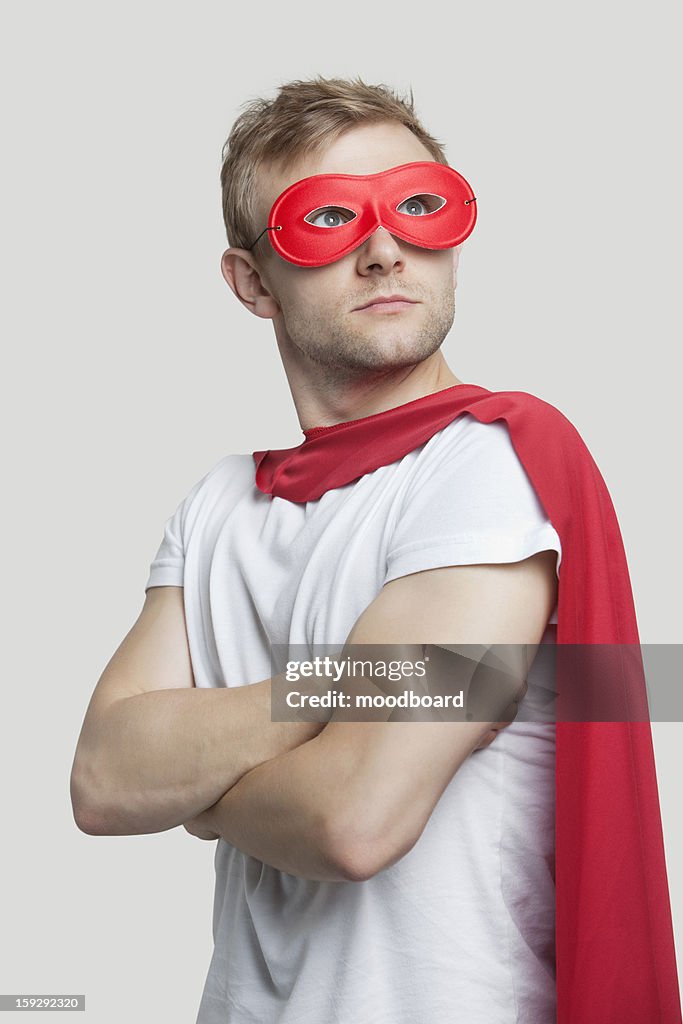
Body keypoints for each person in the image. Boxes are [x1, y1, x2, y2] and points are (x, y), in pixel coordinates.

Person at [70, 77, 681, 1024]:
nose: (386, 251)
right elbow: (104, 779)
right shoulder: (220, 502)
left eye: (418, 208)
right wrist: (336, 691)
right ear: (250, 281)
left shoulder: (488, 463)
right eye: (327, 220)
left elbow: (351, 820)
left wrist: (193, 794)